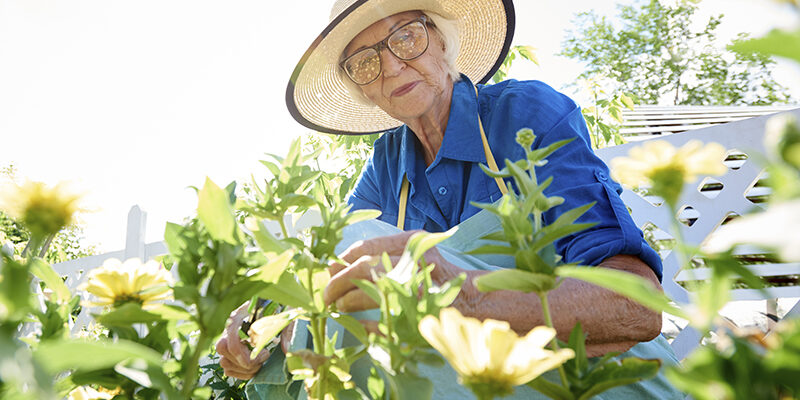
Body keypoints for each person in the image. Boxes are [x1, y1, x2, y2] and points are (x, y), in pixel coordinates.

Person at [216, 0, 684, 398]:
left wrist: (465, 296)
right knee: (332, 289)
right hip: (474, 382)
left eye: (405, 37)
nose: (392, 65)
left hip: (595, 377)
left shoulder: (524, 113)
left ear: (442, 40)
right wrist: (262, 319)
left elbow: (637, 306)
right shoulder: (387, 164)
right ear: (363, 91)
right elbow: (328, 259)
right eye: (365, 62)